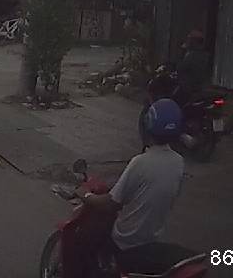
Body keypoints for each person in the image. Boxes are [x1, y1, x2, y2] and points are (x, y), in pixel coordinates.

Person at [82, 98, 191, 274]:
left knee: (89, 243)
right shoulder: (178, 162)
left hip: (126, 241)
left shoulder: (139, 163)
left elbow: (111, 203)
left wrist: (87, 196)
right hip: (152, 239)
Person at [175, 30, 212, 100]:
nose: (187, 41)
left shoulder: (192, 55)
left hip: (188, 88)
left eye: (189, 39)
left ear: (194, 41)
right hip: (199, 87)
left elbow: (180, 68)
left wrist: (182, 52)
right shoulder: (205, 55)